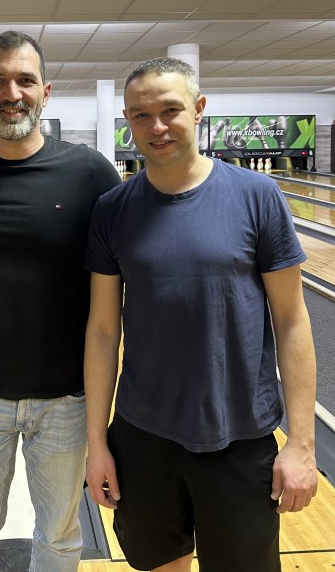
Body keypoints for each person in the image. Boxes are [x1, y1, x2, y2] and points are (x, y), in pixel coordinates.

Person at [84, 56, 317, 572]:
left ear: (199, 108)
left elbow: (292, 321)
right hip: (143, 434)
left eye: (170, 110)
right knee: (160, 564)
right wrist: (96, 442)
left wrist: (302, 443)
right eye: (141, 115)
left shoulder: (258, 195)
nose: (156, 126)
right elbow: (102, 330)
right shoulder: (112, 210)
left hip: (240, 433)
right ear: (127, 120)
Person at [0, 30, 120, 572]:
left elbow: (122, 265)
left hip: (66, 398)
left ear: (45, 91)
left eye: (25, 80)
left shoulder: (91, 173)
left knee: (59, 538)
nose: (11, 93)